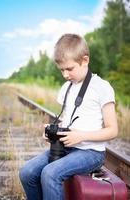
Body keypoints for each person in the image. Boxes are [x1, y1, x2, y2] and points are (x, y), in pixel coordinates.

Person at [19, 33, 118, 200]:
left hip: (91, 152)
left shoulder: (102, 87)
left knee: (50, 174)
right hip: (66, 147)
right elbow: (68, 120)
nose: (65, 75)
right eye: (62, 70)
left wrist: (81, 136)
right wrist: (53, 132)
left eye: (69, 69)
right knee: (27, 172)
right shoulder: (66, 87)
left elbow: (112, 130)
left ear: (85, 60)